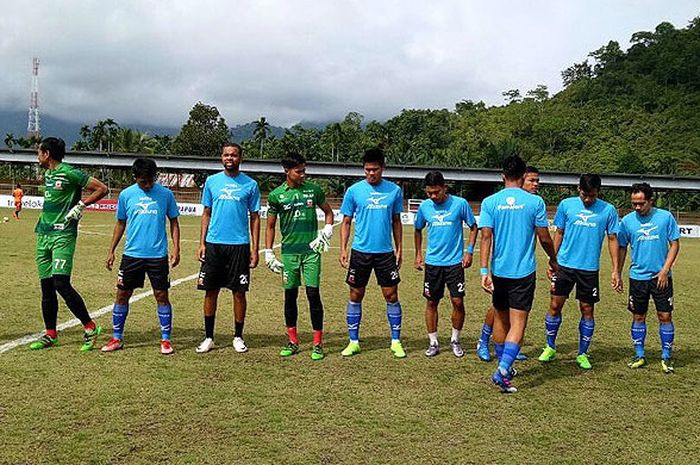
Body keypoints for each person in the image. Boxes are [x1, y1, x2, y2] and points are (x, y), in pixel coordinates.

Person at [479, 155, 557, 393]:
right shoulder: (535, 202)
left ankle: (505, 364)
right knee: (518, 322)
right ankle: (503, 370)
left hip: (499, 271)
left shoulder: (490, 202)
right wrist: (553, 259)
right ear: (523, 176)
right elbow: (544, 237)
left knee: (501, 319)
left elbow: (485, 237)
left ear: (502, 176)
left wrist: (484, 270)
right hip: (523, 272)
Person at [29, 137, 109, 351]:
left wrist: (81, 205)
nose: (37, 156)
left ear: (47, 154)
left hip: (63, 234)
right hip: (43, 234)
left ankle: (90, 327)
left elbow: (102, 188)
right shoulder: (48, 173)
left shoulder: (70, 172)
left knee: (61, 283)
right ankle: (50, 334)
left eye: (39, 152)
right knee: (46, 287)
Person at [537, 174, 621, 370]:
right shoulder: (566, 205)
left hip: (589, 269)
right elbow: (559, 233)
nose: (587, 199)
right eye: (584, 194)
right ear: (578, 190)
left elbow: (612, 239)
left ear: (598, 192)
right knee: (555, 305)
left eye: (591, 195)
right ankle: (550, 347)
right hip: (565, 266)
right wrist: (552, 259)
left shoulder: (608, 210)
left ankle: (583, 353)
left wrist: (616, 270)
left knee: (587, 309)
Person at [102, 158, 181, 355]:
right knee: (122, 294)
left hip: (157, 256)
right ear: (135, 177)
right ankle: (117, 337)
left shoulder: (165, 195)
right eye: (142, 181)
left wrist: (176, 248)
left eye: (149, 180)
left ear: (155, 176)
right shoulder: (126, 195)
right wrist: (111, 250)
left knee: (161, 295)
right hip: (132, 255)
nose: (146, 185)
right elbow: (120, 223)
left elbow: (174, 222)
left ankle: (165, 340)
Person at [263, 153, 334, 360]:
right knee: (290, 296)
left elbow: (329, 213)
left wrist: (327, 230)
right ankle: (292, 341)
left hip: (312, 252)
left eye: (304, 170)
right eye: (299, 171)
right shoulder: (277, 195)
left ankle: (317, 344)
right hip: (289, 253)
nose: (303, 174)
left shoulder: (314, 190)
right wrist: (268, 252)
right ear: (287, 171)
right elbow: (270, 226)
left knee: (313, 295)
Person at [339, 148, 405, 358]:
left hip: (385, 253)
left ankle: (395, 341)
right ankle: (353, 341)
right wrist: (343, 248)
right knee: (356, 294)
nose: (371, 174)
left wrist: (400, 248)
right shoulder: (354, 191)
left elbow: (396, 221)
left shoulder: (394, 190)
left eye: (375, 170)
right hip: (360, 252)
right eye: (367, 170)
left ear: (382, 168)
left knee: (391, 295)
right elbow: (346, 221)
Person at [195, 143, 260, 354]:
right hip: (214, 245)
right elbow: (206, 213)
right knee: (210, 291)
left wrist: (255, 248)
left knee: (239, 293)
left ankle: (238, 336)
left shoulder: (250, 184)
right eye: (226, 155)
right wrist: (202, 243)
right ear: (221, 157)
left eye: (233, 155)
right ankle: (208, 337)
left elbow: (255, 217)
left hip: (239, 246)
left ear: (240, 158)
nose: (229, 158)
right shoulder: (212, 182)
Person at [476, 166, 540, 362]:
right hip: (504, 270)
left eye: (537, 181)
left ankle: (506, 352)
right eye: (531, 181)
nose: (535, 185)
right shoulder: (515, 201)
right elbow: (486, 236)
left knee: (509, 315)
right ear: (522, 179)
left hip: (516, 270)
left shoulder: (532, 203)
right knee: (499, 312)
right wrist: (484, 270)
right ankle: (485, 342)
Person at [617, 183, 680, 373]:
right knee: (638, 315)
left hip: (661, 277)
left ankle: (666, 357)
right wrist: (617, 273)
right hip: (637, 277)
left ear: (650, 201)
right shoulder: (627, 221)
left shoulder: (665, 217)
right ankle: (639, 354)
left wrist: (664, 270)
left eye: (641, 203)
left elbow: (675, 245)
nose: (637, 207)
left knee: (665, 316)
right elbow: (621, 247)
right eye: (634, 204)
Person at [414, 171, 477, 357]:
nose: (433, 196)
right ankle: (433, 342)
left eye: (436, 192)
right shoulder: (425, 207)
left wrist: (469, 252)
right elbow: (417, 229)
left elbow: (474, 227)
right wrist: (418, 254)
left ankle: (455, 340)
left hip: (454, 263)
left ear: (445, 188)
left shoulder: (460, 204)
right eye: (429, 193)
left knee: (457, 301)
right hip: (433, 263)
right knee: (432, 301)